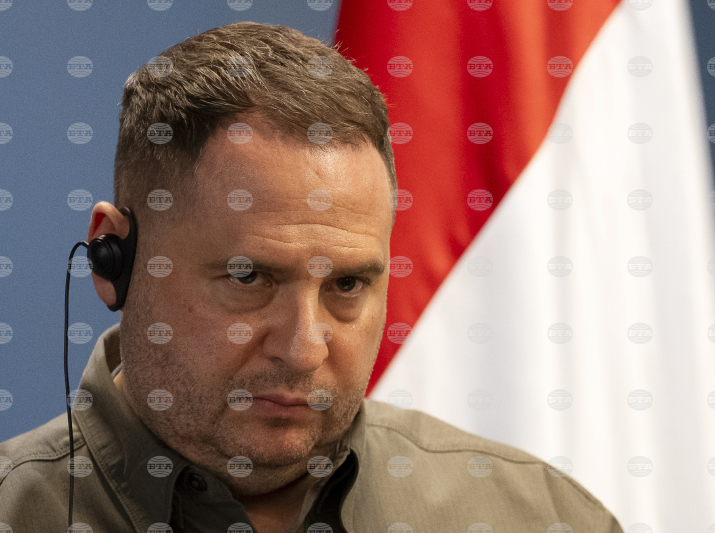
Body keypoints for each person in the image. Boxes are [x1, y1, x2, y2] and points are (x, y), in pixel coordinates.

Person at [0, 22, 623, 533]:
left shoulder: (544, 518)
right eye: (249, 278)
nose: (303, 350)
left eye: (347, 286)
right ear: (113, 259)